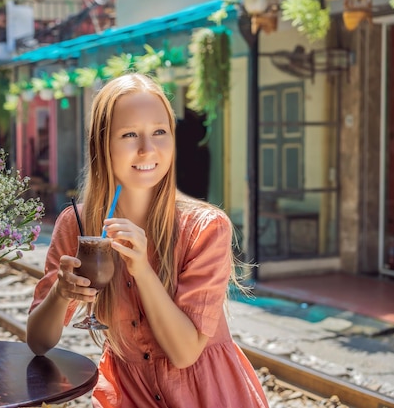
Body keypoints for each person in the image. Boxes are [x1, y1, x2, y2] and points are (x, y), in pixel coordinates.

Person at [26, 73, 269, 407]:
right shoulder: (79, 224)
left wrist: (141, 269)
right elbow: (39, 342)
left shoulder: (205, 227)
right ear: (102, 144)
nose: (147, 149)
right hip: (132, 396)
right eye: (129, 135)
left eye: (159, 132)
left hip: (208, 396)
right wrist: (60, 293)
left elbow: (184, 353)